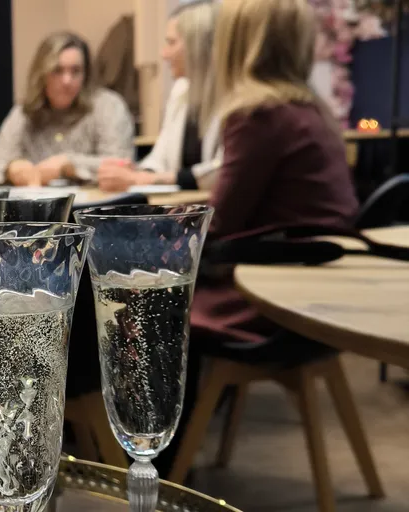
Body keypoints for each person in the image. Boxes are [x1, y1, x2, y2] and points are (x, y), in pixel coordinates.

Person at [159, 0, 360, 476]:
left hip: (278, 302)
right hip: (321, 291)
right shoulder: (308, 111)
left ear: (238, 43)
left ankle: (156, 469)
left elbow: (223, 222)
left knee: (151, 305)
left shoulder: (259, 114)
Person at [0, 32, 135, 187]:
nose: (67, 81)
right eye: (57, 70)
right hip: (42, 208)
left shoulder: (108, 106)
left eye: (76, 71)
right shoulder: (23, 113)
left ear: (86, 74)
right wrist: (11, 171)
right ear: (41, 75)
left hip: (93, 208)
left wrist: (68, 165)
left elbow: (121, 168)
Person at [98, 0, 221, 192]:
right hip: (182, 206)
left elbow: (220, 172)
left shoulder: (237, 101)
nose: (164, 54)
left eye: (171, 43)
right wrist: (136, 171)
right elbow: (161, 157)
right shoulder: (181, 90)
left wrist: (142, 179)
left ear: (197, 46)